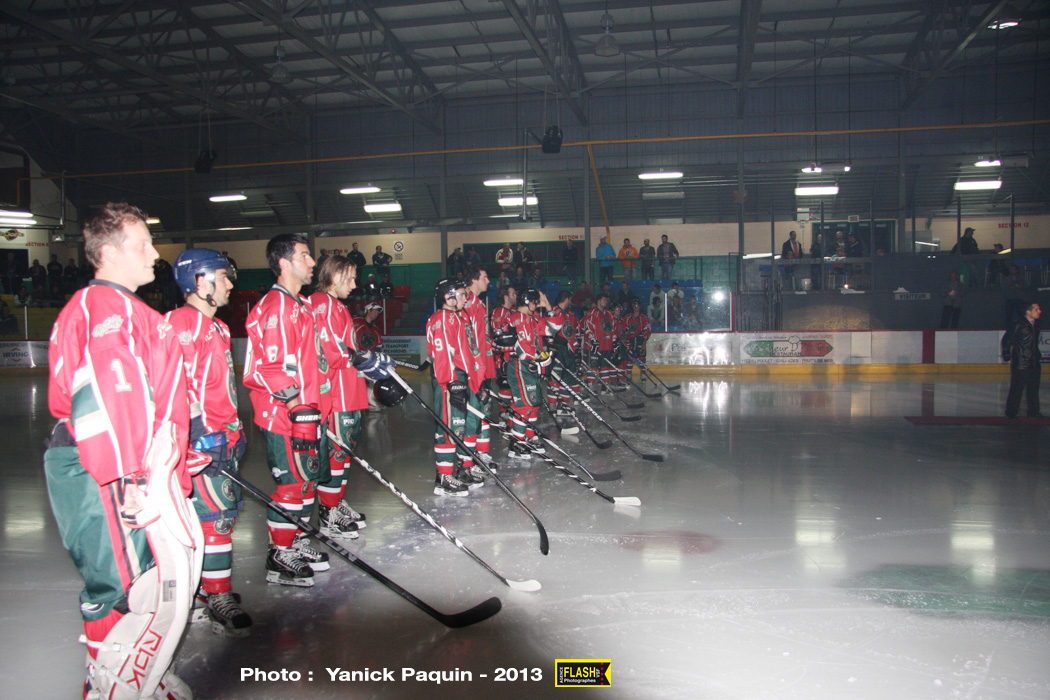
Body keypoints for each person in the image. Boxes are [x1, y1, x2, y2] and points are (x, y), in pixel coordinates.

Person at [44, 202, 196, 700]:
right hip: (108, 469)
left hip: (128, 463)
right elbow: (110, 401)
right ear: (108, 253)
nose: (156, 255)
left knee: (132, 580)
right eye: (143, 245)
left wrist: (176, 455)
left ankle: (127, 677)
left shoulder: (122, 309)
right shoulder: (106, 312)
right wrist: (131, 477)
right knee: (126, 587)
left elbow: (150, 398)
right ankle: (115, 686)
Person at [167, 248, 252, 637]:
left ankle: (205, 590)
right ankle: (214, 594)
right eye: (223, 276)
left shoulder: (216, 327)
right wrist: (195, 437)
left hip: (225, 438)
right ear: (200, 282)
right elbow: (168, 390)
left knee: (222, 516)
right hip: (202, 443)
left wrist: (234, 430)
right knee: (214, 519)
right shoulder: (177, 324)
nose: (231, 284)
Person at [244, 233, 336, 587]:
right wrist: (298, 408)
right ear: (283, 263)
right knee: (291, 486)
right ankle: (278, 557)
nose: (312, 262)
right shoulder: (279, 306)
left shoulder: (298, 304)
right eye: (304, 256)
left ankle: (294, 540)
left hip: (306, 411)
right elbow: (270, 367)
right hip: (285, 413)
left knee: (306, 479)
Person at [309, 255, 371, 541]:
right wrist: (362, 359)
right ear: (334, 277)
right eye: (350, 278)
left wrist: (366, 359)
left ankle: (336, 502)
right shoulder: (321, 303)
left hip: (350, 391)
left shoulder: (337, 305)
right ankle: (328, 512)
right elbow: (331, 349)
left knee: (344, 452)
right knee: (336, 453)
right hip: (336, 395)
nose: (355, 284)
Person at [426, 279, 480, 496]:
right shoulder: (441, 319)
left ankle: (463, 468)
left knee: (466, 423)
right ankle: (443, 476)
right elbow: (442, 355)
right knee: (449, 426)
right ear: (448, 297)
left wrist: (476, 379)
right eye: (461, 294)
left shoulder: (456, 317)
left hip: (461, 378)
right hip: (449, 380)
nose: (465, 297)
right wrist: (452, 382)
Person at [504, 287, 551, 458]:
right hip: (520, 366)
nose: (537, 305)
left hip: (529, 366)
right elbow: (524, 348)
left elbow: (549, 330)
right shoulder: (518, 318)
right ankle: (516, 444)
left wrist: (548, 307)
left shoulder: (530, 317)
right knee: (525, 405)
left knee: (533, 404)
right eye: (535, 302)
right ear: (528, 302)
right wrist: (541, 358)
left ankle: (527, 438)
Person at [461, 267, 497, 472]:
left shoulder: (478, 302)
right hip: (473, 368)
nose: (488, 280)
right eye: (485, 277)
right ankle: (469, 455)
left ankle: (481, 452)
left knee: (484, 408)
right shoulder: (465, 301)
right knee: (473, 411)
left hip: (484, 364)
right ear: (474, 279)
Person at [544, 290, 581, 417]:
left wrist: (576, 349)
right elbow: (547, 329)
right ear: (567, 299)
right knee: (555, 377)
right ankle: (553, 404)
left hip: (568, 350)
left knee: (567, 378)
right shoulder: (553, 311)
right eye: (570, 299)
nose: (571, 302)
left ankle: (563, 405)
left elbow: (572, 333)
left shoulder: (570, 314)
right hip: (557, 349)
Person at [1005, 302, 1043, 419]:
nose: (1039, 311)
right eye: (1036, 309)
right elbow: (1007, 340)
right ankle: (1011, 413)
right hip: (1021, 363)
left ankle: (1033, 411)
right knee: (1017, 389)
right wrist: (1006, 354)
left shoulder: (1035, 325)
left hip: (1034, 362)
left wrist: (1037, 355)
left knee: (1033, 389)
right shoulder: (1018, 324)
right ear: (1028, 311)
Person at [353, 301, 386, 412]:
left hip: (367, 361)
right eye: (375, 310)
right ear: (368, 310)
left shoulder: (376, 330)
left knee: (375, 377)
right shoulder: (356, 322)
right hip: (354, 359)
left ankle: (371, 401)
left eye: (378, 311)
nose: (377, 313)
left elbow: (378, 348)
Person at [583, 292, 617, 390]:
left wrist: (614, 341)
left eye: (606, 300)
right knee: (593, 366)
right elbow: (588, 327)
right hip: (596, 346)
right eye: (603, 300)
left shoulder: (609, 313)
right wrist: (593, 340)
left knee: (605, 366)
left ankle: (605, 387)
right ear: (598, 301)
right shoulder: (592, 312)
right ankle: (591, 385)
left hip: (607, 345)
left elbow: (613, 328)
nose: (605, 302)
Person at [490, 284, 518, 404]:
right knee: (506, 387)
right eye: (513, 294)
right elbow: (499, 337)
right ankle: (503, 416)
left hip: (513, 356)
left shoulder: (513, 311)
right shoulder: (500, 312)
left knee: (514, 388)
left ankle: (510, 417)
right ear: (506, 297)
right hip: (504, 358)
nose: (516, 296)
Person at [620, 299, 652, 376]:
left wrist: (644, 342)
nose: (636, 307)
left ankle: (643, 374)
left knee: (641, 357)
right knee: (629, 358)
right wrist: (625, 341)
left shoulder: (643, 318)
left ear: (640, 307)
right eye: (634, 305)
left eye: (637, 305)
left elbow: (647, 330)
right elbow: (623, 330)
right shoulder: (627, 317)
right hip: (630, 340)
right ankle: (628, 374)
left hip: (640, 340)